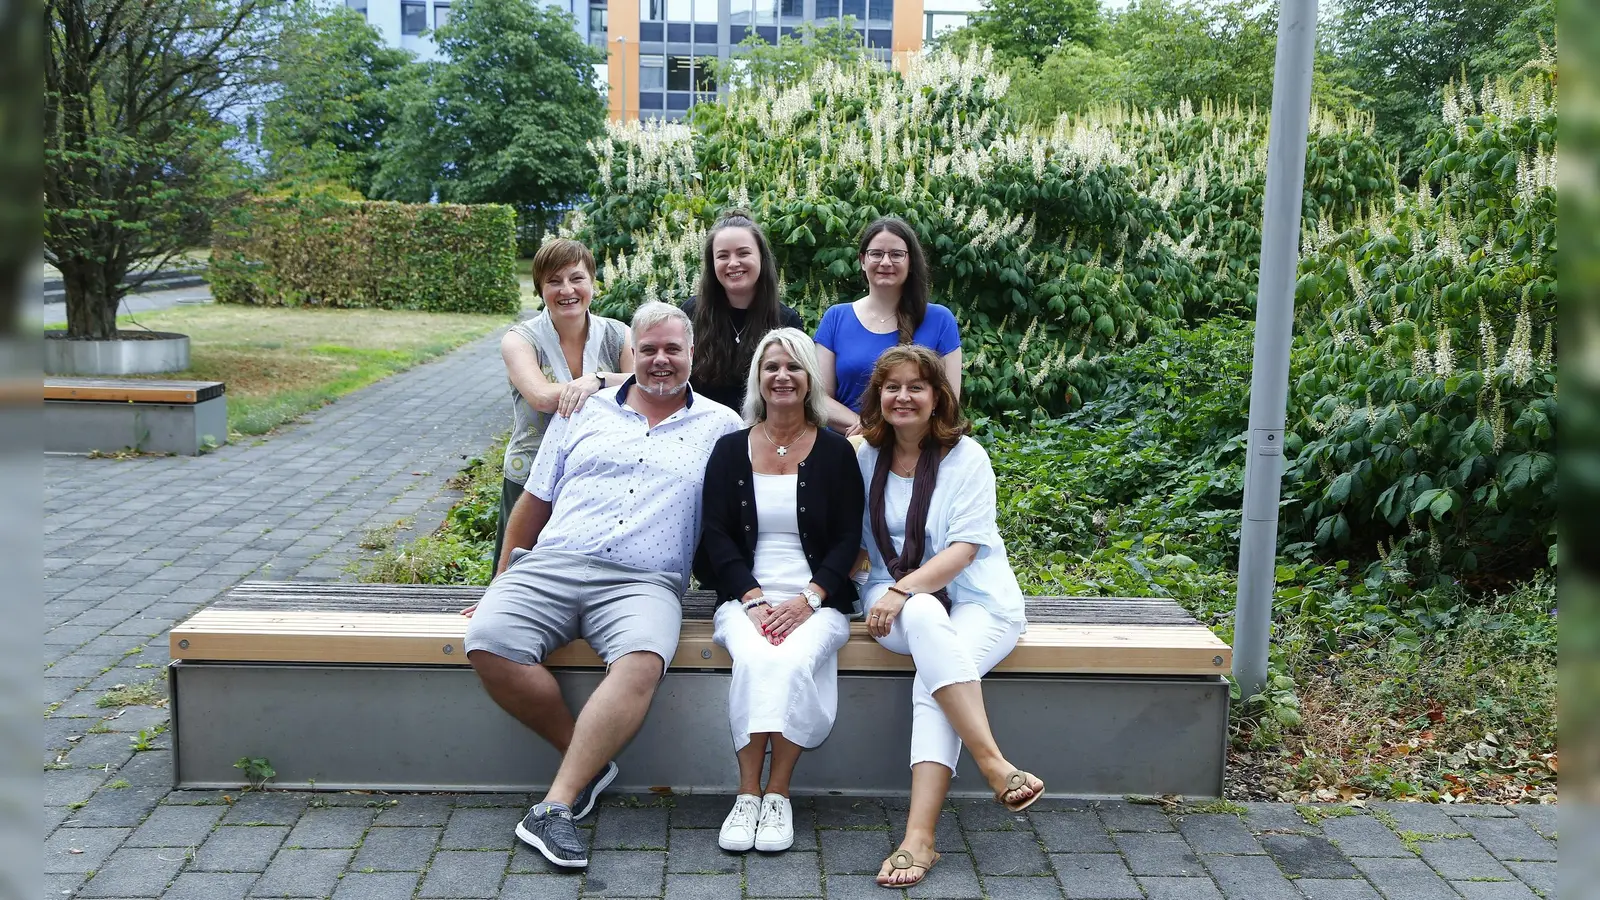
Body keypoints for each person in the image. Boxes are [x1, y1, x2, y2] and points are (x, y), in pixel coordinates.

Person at [463, 302, 742, 870]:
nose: (661, 360)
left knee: (642, 659)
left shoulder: (723, 426)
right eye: (649, 350)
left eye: (673, 350)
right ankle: (586, 761)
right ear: (631, 355)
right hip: (554, 563)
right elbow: (535, 499)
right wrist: (500, 579)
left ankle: (555, 806)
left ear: (693, 355)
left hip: (644, 582)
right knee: (487, 638)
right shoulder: (583, 412)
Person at [853, 345, 1043, 889]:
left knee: (930, 675)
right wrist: (879, 584)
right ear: (879, 396)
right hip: (894, 605)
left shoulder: (967, 457)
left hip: (980, 602)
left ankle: (920, 840)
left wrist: (901, 589)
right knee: (928, 621)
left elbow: (963, 551)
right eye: (892, 386)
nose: (903, 396)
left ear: (938, 397)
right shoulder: (862, 456)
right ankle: (995, 765)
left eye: (917, 386)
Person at [698, 328, 864, 853]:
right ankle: (746, 796)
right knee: (755, 658)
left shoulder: (838, 454)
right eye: (772, 367)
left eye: (794, 367)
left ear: (810, 379)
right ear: (758, 379)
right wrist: (752, 599)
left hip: (818, 602)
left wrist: (808, 599)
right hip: (744, 601)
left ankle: (778, 794)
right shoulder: (729, 450)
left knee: (792, 662)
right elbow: (716, 536)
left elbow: (846, 539)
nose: (782, 376)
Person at [495, 238, 633, 567]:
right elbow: (542, 396)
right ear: (540, 289)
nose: (566, 289)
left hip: (598, 478)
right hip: (529, 479)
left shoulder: (619, 334)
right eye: (554, 281)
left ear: (593, 284)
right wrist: (613, 385)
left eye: (576, 278)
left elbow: (650, 386)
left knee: (586, 578)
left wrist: (597, 379)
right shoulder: (519, 339)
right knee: (517, 577)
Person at [814, 217, 962, 435]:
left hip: (916, 450)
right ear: (863, 260)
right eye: (876, 254)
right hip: (849, 450)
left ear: (911, 262)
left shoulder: (940, 320)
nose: (885, 262)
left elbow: (949, 403)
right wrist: (866, 427)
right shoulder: (836, 317)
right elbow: (818, 398)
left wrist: (885, 433)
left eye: (896, 254)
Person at [682, 210, 804, 411]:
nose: (733, 263)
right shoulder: (691, 313)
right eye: (722, 256)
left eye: (743, 253)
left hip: (761, 433)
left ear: (762, 258)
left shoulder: (786, 320)